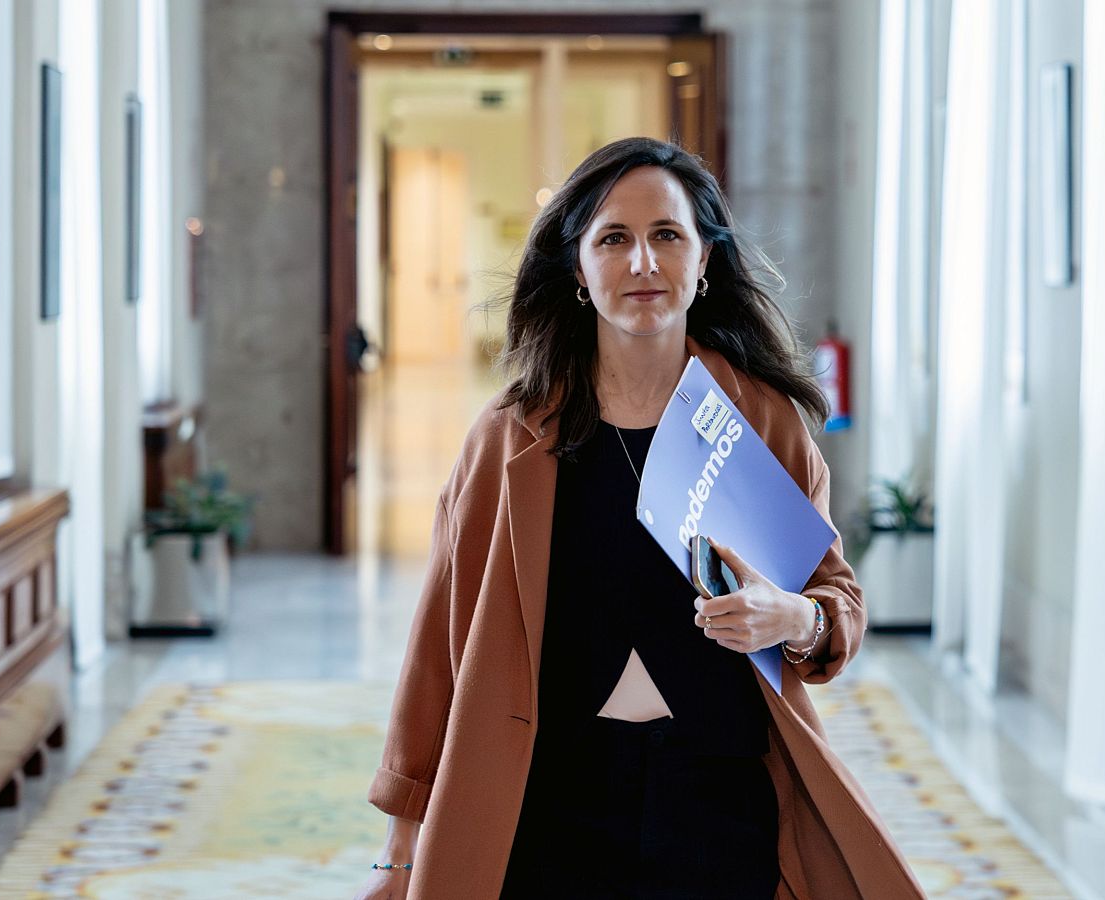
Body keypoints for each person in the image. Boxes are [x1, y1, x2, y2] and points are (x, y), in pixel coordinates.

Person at [355, 137, 923, 900]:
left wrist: (789, 617)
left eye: (667, 236)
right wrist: (401, 850)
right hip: (547, 799)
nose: (643, 264)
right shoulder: (509, 437)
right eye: (613, 239)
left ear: (704, 260)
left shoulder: (761, 422)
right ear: (579, 270)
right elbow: (438, 644)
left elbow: (836, 605)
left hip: (720, 795)